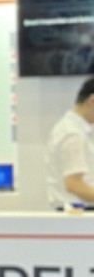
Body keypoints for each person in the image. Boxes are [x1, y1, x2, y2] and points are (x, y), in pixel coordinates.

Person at [44, 77, 94, 209]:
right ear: (92, 101)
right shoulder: (73, 134)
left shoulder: (73, 129)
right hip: (79, 212)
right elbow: (75, 185)